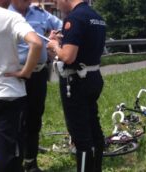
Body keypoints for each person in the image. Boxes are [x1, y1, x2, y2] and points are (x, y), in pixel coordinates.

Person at [0, 0, 42, 171]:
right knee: (9, 152)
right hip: (9, 94)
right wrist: (26, 72)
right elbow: (36, 43)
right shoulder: (11, 17)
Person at [47, 0, 106, 171]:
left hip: (76, 82)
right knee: (94, 128)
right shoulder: (97, 17)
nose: (57, 6)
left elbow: (68, 57)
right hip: (93, 76)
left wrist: (54, 45)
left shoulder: (74, 18)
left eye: (57, 1)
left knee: (81, 137)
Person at [8, 1, 62, 171]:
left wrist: (56, 37)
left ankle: (30, 162)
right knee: (14, 121)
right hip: (13, 77)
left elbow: (64, 28)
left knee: (34, 118)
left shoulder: (41, 14)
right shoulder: (5, 14)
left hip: (37, 75)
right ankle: (14, 162)